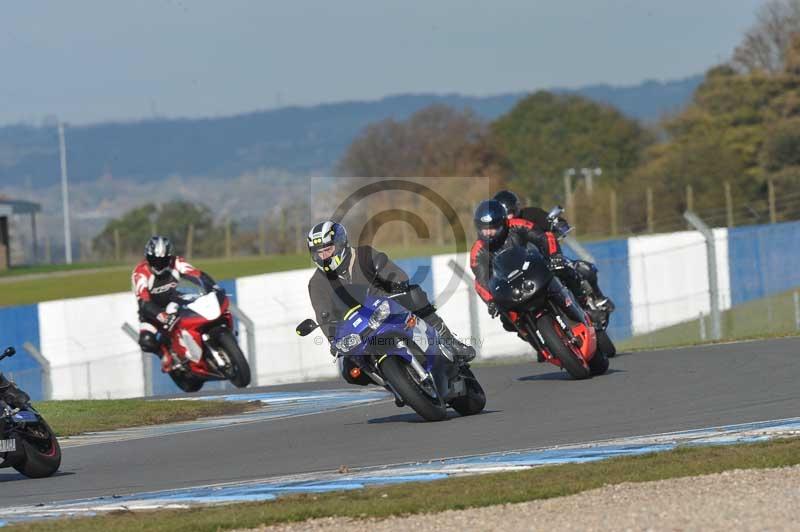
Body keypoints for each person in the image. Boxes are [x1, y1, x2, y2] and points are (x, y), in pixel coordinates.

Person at [306, 220, 475, 386]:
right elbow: (324, 315)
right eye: (319, 253)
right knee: (351, 372)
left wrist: (397, 283)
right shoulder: (317, 283)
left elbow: (393, 273)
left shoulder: (364, 255)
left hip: (389, 309)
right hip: (358, 331)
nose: (324, 256)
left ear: (340, 243)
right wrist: (333, 339)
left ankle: (449, 341)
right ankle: (394, 383)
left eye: (328, 250)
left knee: (413, 294)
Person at [470, 199, 588, 355]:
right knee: (507, 320)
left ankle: (581, 301)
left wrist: (554, 256)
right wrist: (490, 301)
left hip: (536, 271)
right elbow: (481, 281)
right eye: (484, 229)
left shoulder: (518, 225)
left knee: (563, 270)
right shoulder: (477, 252)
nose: (489, 233)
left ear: (503, 222)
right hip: (511, 288)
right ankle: (537, 342)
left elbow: (544, 237)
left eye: (493, 228)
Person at [493, 190, 614, 311]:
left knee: (583, 269)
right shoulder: (497, 235)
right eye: (504, 215)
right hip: (525, 273)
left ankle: (597, 298)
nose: (509, 217)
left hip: (548, 258)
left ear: (517, 209)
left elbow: (551, 222)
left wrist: (558, 226)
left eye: (510, 212)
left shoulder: (531, 214)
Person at [132, 236, 219, 372]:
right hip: (151, 311)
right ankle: (164, 355)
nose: (158, 264)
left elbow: (196, 274)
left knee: (200, 314)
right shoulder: (140, 273)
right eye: (154, 260)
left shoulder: (176, 262)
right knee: (146, 341)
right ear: (147, 257)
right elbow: (144, 302)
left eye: (163, 260)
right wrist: (163, 316)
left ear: (169, 257)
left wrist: (213, 287)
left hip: (175, 301)